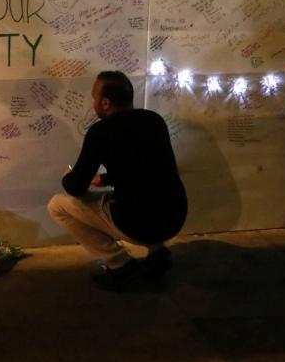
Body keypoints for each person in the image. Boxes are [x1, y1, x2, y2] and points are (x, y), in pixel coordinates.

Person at [47, 70, 188, 289]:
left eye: (94, 97)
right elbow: (146, 168)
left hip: (137, 223)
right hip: (174, 215)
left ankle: (119, 264)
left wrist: (68, 177)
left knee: (57, 205)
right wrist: (104, 179)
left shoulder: (101, 132)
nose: (93, 102)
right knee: (146, 194)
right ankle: (158, 253)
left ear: (105, 102)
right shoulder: (154, 120)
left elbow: (76, 187)